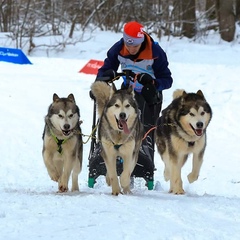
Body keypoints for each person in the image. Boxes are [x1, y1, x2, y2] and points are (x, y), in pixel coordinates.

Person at [95, 21, 173, 166]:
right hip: (127, 91)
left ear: (142, 41)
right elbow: (105, 68)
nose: (131, 49)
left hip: (150, 95)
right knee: (114, 113)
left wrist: (154, 83)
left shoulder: (155, 52)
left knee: (143, 121)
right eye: (128, 45)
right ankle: (109, 147)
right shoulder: (118, 48)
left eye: (135, 46)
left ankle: (142, 151)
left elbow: (168, 80)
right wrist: (101, 81)